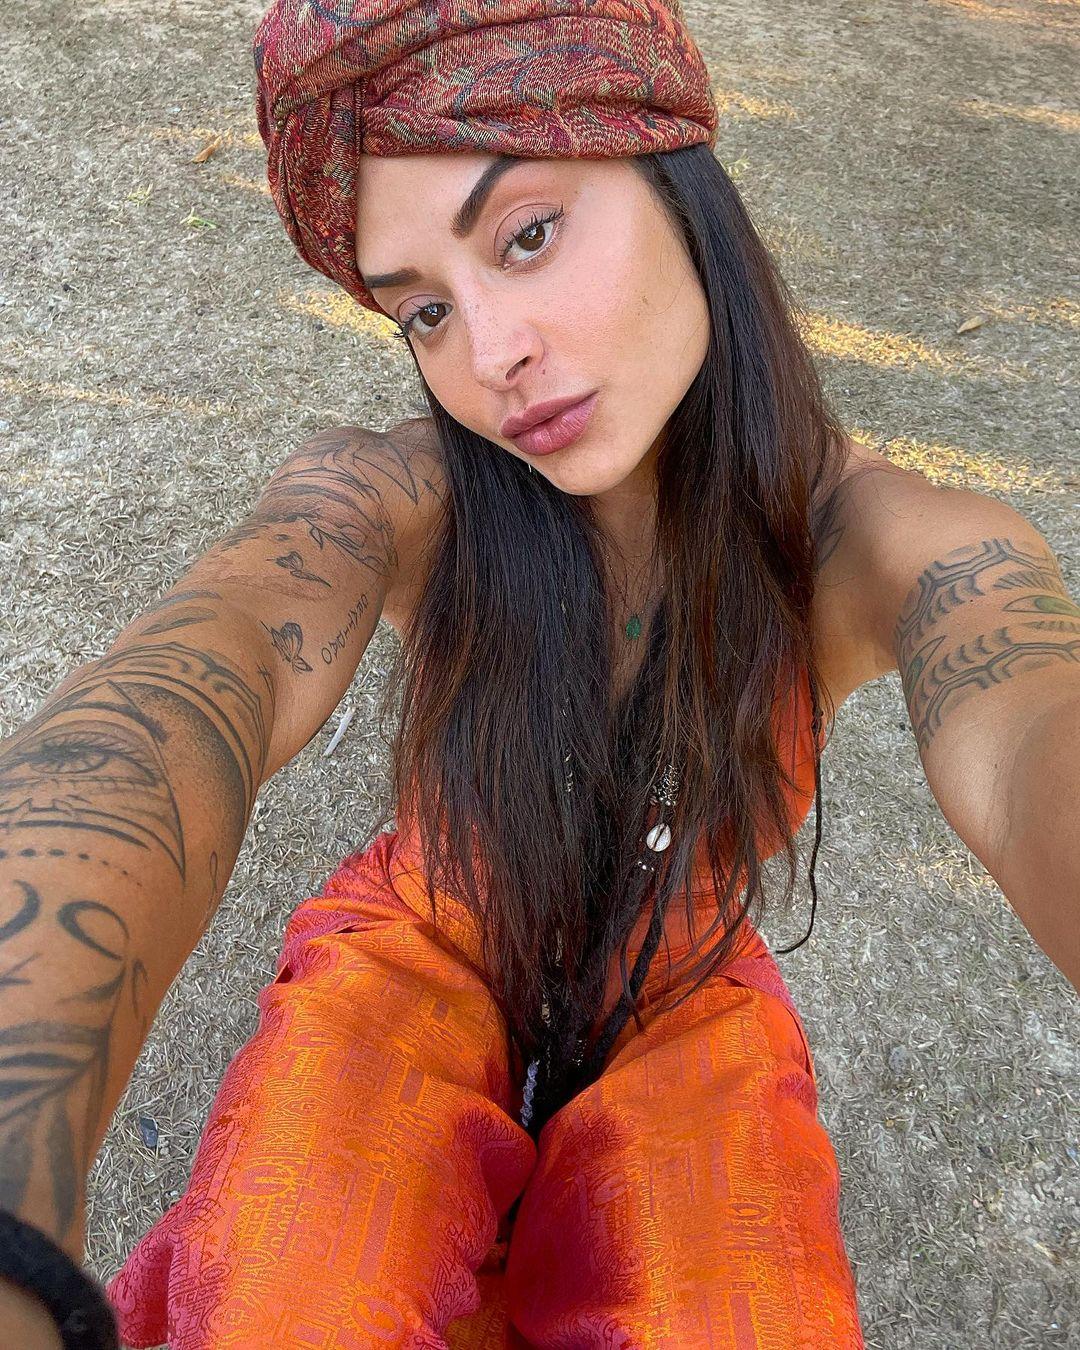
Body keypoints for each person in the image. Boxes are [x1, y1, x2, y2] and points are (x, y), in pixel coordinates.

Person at [1, 0, 1077, 1346]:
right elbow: (201, 674)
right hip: (421, 939)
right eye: (423, 311)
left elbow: (1030, 731)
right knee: (289, 1284)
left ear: (679, 180)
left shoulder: (881, 544)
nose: (489, 356)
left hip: (686, 988)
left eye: (527, 234)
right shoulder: (398, 495)